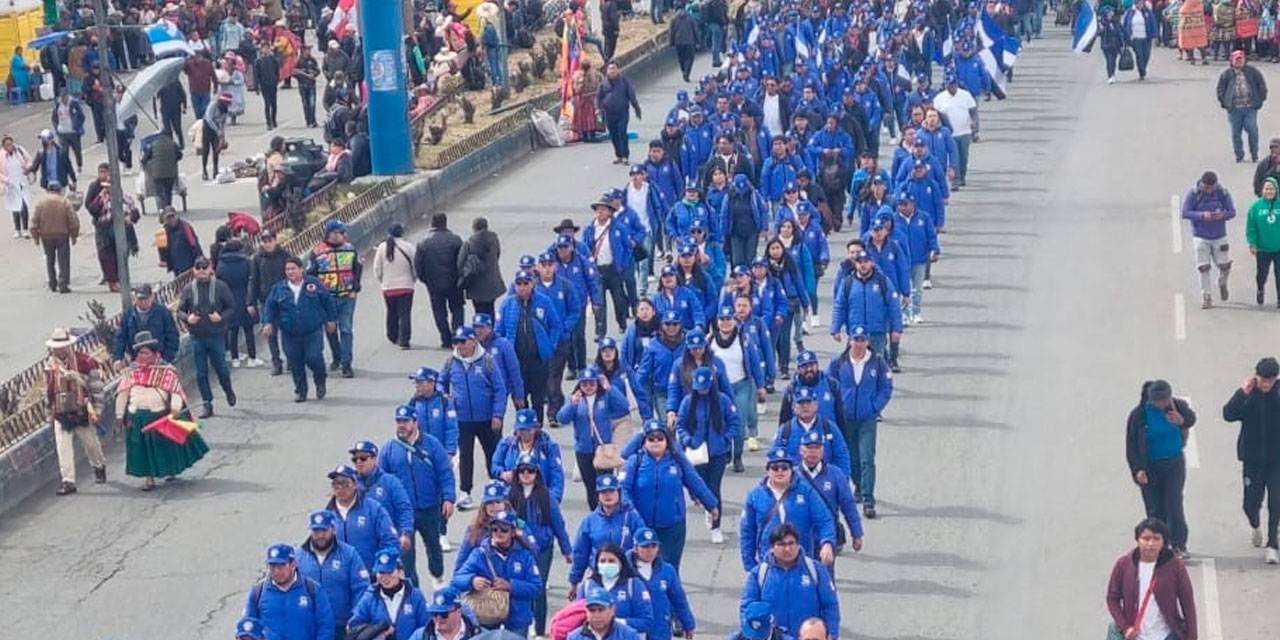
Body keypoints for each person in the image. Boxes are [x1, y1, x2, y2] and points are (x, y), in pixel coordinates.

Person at [116, 331, 209, 491]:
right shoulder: (131, 372)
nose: (142, 356)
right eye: (140, 353)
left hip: (158, 415)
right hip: (137, 416)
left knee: (163, 446)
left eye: (146, 353)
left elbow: (175, 392)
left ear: (154, 353)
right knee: (142, 449)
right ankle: (149, 479)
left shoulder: (166, 371)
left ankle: (169, 470)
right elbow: (123, 394)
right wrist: (119, 416)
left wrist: (175, 409)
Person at [379, 404, 457, 590]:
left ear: (415, 422)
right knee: (405, 553)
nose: (402, 425)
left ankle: (437, 577)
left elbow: (445, 473)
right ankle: (413, 591)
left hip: (430, 507)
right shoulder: (389, 449)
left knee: (434, 546)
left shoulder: (432, 445)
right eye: (399, 421)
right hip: (402, 512)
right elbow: (381, 480)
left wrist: (448, 498)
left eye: (405, 421)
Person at [624, 419, 720, 566]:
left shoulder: (677, 459)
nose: (656, 442)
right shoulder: (636, 461)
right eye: (651, 438)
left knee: (669, 567)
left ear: (667, 440)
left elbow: (694, 480)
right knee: (641, 568)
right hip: (642, 524)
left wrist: (711, 504)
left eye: (660, 438)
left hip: (672, 524)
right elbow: (624, 489)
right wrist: (632, 514)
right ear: (644, 441)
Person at [1125, 380, 1197, 558]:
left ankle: (1179, 544)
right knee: (1155, 510)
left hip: (1174, 463)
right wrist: (1138, 469)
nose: (1161, 405)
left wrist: (1182, 420)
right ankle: (1160, 545)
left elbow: (1191, 418)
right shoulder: (1139, 415)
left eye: (1164, 400)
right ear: (1150, 399)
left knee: (1174, 504)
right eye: (1157, 402)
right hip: (1151, 467)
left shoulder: (1176, 406)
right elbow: (1132, 446)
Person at [440, 326, 508, 510]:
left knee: (492, 453)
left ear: (473, 341)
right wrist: (446, 400)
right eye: (456, 342)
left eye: (463, 341)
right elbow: (441, 382)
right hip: (463, 419)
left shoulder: (486, 361)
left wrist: (497, 414)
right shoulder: (451, 362)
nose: (459, 345)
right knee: (465, 455)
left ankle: (497, 486)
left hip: (486, 418)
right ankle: (465, 492)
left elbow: (499, 389)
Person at [739, 447, 837, 571]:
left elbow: (824, 520)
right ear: (768, 471)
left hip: (802, 563)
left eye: (784, 467)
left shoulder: (806, 492)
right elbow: (747, 532)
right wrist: (750, 565)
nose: (780, 471)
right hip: (769, 565)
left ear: (791, 470)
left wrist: (827, 543)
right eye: (775, 468)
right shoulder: (755, 496)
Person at [1221, 357, 1280, 563]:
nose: (1266, 384)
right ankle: (1255, 526)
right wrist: (1241, 393)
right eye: (1263, 379)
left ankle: (1273, 544)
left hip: (1276, 461)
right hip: (1253, 461)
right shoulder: (1248, 396)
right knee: (1250, 503)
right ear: (1256, 376)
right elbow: (1227, 414)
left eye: (1270, 380)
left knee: (1276, 503)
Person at [508, 453, 573, 637]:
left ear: (537, 473)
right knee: (522, 586)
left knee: (539, 586)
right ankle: (524, 622)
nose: (526, 474)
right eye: (522, 470)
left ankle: (539, 628)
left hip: (543, 548)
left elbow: (558, 524)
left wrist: (567, 550)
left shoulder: (546, 496)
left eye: (531, 470)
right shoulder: (510, 495)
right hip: (519, 549)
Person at [739, 523, 840, 639]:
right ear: (772, 547)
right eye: (781, 544)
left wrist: (832, 634)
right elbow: (747, 609)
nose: (787, 549)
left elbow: (830, 605)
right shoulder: (759, 574)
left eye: (791, 543)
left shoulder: (815, 570)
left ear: (798, 544)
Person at [1104, 518, 1198, 640]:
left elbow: (1188, 603)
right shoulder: (1124, 564)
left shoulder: (1175, 566)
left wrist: (1192, 637)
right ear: (1137, 540)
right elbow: (1112, 598)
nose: (1151, 544)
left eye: (1156, 538)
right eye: (1146, 538)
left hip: (1166, 636)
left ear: (1164, 541)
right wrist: (1125, 627)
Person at [452, 510, 543, 635]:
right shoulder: (480, 554)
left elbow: (536, 586)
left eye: (504, 529)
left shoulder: (525, 556)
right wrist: (472, 580)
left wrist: (511, 586)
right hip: (486, 617)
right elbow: (457, 579)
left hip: (517, 619)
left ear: (512, 532)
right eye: (494, 529)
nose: (498, 532)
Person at [262, 257, 338, 402]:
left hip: (312, 331)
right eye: (287, 269)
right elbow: (269, 307)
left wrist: (331, 319)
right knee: (295, 363)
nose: (290, 272)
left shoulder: (313, 284)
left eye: (293, 268)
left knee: (314, 357)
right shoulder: (278, 289)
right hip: (290, 334)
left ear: (301, 269)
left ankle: (320, 381)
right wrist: (268, 323)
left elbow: (327, 301)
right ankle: (300, 391)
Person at [558, 368, 633, 510]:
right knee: (590, 486)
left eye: (591, 384)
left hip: (604, 449)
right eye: (584, 384)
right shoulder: (576, 399)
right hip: (584, 450)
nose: (588, 387)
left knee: (605, 484)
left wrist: (610, 389)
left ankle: (609, 510)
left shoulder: (605, 397)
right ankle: (595, 513)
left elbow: (623, 406)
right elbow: (562, 418)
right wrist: (571, 405)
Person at [45, 327, 106, 496]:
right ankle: (68, 481)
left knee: (91, 444)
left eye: (62, 346)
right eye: (56, 348)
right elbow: (48, 392)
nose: (58, 350)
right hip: (60, 412)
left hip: (81, 410)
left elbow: (96, 387)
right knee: (62, 448)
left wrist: (98, 409)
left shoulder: (84, 361)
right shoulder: (50, 366)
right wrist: (49, 415)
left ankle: (99, 465)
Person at [497, 270, 563, 423]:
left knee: (538, 398)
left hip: (538, 359)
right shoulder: (508, 304)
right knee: (519, 397)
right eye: (519, 284)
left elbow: (555, 325)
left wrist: (550, 345)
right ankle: (523, 427)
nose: (522, 287)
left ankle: (537, 427)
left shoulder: (544, 302)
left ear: (532, 284)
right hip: (516, 361)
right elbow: (499, 330)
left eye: (525, 283)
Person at [178, 256, 237, 418]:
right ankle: (207, 403)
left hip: (216, 335)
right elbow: (180, 310)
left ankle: (228, 390)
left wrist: (221, 317)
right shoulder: (189, 289)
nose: (202, 271)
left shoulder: (220, 287)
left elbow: (231, 307)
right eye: (198, 267)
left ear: (210, 268)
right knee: (201, 373)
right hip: (197, 336)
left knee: (221, 369)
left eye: (204, 267)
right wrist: (187, 318)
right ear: (193, 270)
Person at [568, 473, 647, 593]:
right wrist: (574, 581)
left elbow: (643, 545)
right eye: (603, 492)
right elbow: (580, 553)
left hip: (626, 575)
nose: (608, 495)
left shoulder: (632, 517)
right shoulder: (590, 521)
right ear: (598, 495)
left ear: (619, 493)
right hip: (598, 575)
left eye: (611, 491)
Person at [296, 510, 370, 634]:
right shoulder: (297, 556)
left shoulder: (349, 555)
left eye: (324, 531)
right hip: (307, 627)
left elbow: (362, 589)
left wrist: (356, 617)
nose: (320, 536)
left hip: (340, 627)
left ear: (333, 529)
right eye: (316, 531)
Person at [795, 429, 864, 558]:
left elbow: (848, 505)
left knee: (825, 576)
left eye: (817, 448)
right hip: (798, 539)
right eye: (809, 448)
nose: (813, 452)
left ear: (823, 451)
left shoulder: (835, 474)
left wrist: (856, 533)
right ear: (801, 450)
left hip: (826, 536)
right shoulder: (792, 476)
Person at [244, 544, 334, 640]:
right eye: (272, 566)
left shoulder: (312, 589)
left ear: (293, 564)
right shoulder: (258, 592)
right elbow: (249, 628)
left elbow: (325, 626)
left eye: (281, 566)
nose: (276, 571)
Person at [306, 220, 361, 377]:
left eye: (343, 233)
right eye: (339, 233)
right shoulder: (317, 252)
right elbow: (311, 274)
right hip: (326, 298)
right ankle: (337, 356)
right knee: (330, 329)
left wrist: (355, 288)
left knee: (346, 329)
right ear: (330, 234)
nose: (343, 236)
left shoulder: (350, 249)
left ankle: (346, 364)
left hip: (347, 296)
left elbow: (357, 269)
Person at [324, 464, 400, 571]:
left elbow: (390, 541)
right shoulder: (327, 515)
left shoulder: (373, 509)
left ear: (355, 484)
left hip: (370, 577)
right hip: (339, 577)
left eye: (344, 483)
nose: (340, 488)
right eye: (335, 484)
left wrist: (382, 567)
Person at [349, 548, 433, 639]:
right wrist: (376, 630)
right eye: (381, 572)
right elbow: (354, 626)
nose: (385, 577)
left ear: (400, 572)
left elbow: (427, 628)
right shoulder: (369, 598)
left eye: (389, 572)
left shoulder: (415, 596)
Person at [627, 528, 696, 640]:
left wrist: (688, 624)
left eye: (653, 546)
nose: (650, 551)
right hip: (634, 630)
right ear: (635, 548)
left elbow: (679, 600)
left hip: (660, 629)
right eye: (645, 547)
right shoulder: (625, 570)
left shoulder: (666, 570)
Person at [1181, 171, 1236, 309]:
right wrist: (1201, 215)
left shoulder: (1223, 192)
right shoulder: (1194, 193)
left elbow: (1232, 211)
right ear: (1202, 184)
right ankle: (1206, 296)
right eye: (1206, 187)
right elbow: (1185, 212)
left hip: (1219, 235)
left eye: (1211, 188)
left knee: (1224, 265)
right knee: (1203, 267)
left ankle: (1222, 282)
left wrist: (1222, 215)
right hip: (1200, 236)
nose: (1209, 190)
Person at [416, 213, 467, 349]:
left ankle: (446, 339)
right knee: (457, 309)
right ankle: (457, 337)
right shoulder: (456, 240)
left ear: (432, 224)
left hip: (434, 284)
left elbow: (418, 267)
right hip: (454, 282)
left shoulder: (423, 243)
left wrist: (426, 280)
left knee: (439, 312)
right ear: (445, 223)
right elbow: (463, 262)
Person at [248, 229, 293, 375]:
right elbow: (254, 280)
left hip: (285, 300)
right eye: (264, 241)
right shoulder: (257, 259)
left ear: (275, 240)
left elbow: (293, 276)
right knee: (270, 333)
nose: (267, 244)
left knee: (288, 332)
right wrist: (251, 301)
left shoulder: (285, 256)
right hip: (266, 301)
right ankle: (276, 362)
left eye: (270, 241)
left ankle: (292, 360)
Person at [1216, 49, 1268, 163]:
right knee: (1236, 134)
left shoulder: (1253, 72)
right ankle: (1239, 155)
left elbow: (1262, 86)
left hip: (1250, 108)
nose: (1239, 62)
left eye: (1241, 59)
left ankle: (1254, 153)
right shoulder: (1227, 74)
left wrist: (1260, 100)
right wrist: (1224, 102)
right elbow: (1220, 89)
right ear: (1232, 61)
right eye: (1237, 60)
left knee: (1252, 130)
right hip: (1234, 109)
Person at [113, 284, 181, 368]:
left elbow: (173, 336)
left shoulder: (162, 312)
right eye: (140, 299)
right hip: (137, 362)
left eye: (146, 298)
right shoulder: (128, 315)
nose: (143, 302)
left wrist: (166, 358)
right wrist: (117, 358)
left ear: (152, 297)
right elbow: (120, 337)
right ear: (135, 298)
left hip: (160, 362)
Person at [374, 223, 417, 349]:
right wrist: (413, 279)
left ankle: (393, 335)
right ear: (401, 233)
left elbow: (377, 268)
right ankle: (404, 340)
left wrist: (382, 280)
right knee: (405, 313)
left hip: (388, 287)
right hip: (406, 286)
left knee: (391, 312)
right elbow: (416, 266)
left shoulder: (382, 247)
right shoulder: (409, 247)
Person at [931, 75, 978, 188]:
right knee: (953, 156)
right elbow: (935, 114)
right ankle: (955, 180)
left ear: (956, 85)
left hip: (964, 131)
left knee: (964, 156)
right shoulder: (939, 98)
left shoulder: (965, 95)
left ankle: (962, 176)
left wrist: (975, 124)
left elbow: (973, 111)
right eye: (948, 85)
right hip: (949, 133)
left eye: (952, 85)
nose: (950, 87)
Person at [30, 188, 79, 293]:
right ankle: (63, 284)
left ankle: (52, 283)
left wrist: (36, 237)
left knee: (49, 259)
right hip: (62, 235)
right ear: (59, 190)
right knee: (63, 259)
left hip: (46, 235)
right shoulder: (64, 202)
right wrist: (74, 235)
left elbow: (34, 221)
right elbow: (73, 219)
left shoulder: (41, 203)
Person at [458, 216, 506, 316]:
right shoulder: (494, 240)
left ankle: (481, 329)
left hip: (476, 285)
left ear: (474, 228)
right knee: (490, 309)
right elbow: (497, 255)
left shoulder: (469, 243)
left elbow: (460, 264)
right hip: (492, 283)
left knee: (479, 311)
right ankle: (491, 329)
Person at [599, 61, 642, 165]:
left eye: (614, 68)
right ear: (607, 71)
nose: (612, 71)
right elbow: (598, 97)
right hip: (609, 113)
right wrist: (597, 108)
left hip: (622, 112)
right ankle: (618, 155)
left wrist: (637, 109)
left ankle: (625, 156)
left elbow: (632, 96)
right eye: (610, 69)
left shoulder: (624, 82)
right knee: (613, 134)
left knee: (622, 132)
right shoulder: (603, 84)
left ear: (618, 70)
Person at [1245, 177, 1280, 306]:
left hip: (1278, 248)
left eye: (1271, 188)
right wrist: (1252, 243)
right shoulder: (1256, 207)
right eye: (1266, 189)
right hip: (1263, 248)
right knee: (1261, 274)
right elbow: (1251, 226)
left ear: (1276, 190)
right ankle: (1260, 289)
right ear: (1262, 190)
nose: (1269, 191)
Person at [567, 585, 643, 640]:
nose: (596, 615)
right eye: (592, 610)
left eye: (601, 610)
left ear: (612, 610)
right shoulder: (574, 637)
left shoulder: (629, 636)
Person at [409, 587, 485, 640]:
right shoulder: (420, 636)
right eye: (434, 614)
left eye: (444, 614)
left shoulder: (480, 635)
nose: (438, 618)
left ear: (458, 612)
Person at [0, 135, 33, 239]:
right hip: (10, 184)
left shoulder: (20, 151)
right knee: (15, 207)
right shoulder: (1, 156)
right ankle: (17, 230)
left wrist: (27, 168)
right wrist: (6, 180)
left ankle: (25, 229)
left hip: (22, 181)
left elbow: (30, 161)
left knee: (24, 205)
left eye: (11, 144)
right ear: (4, 147)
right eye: (7, 145)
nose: (10, 146)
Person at [141, 130, 182, 210]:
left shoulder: (154, 144)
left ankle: (160, 210)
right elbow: (180, 155)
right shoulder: (173, 144)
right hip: (171, 174)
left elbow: (145, 159)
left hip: (157, 174)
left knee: (158, 193)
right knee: (168, 192)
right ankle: (168, 209)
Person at [49, 93, 85, 173]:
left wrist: (77, 126)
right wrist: (57, 128)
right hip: (62, 132)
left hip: (73, 132)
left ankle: (79, 165)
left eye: (65, 98)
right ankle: (67, 168)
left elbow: (82, 116)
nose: (63, 100)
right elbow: (54, 117)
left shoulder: (74, 103)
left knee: (77, 151)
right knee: (63, 152)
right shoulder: (58, 104)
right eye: (62, 98)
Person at [1123, 0, 1159, 80]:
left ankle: (1143, 68)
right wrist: (1128, 36)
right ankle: (1142, 73)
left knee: (1146, 55)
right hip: (1135, 38)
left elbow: (1153, 23)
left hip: (1146, 37)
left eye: (1141, 3)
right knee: (1139, 56)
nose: (1140, 5)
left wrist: (1156, 36)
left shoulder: (1147, 12)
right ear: (1135, 4)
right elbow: (1125, 25)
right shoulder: (1130, 12)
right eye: (1138, 3)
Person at [163, 208, 205, 275]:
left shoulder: (185, 226)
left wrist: (199, 259)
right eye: (168, 218)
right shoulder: (167, 229)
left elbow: (194, 244)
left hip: (188, 264)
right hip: (176, 265)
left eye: (173, 216)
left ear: (177, 216)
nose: (171, 220)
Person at [200, 94, 232, 181]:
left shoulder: (225, 109)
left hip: (217, 128)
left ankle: (215, 169)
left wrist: (222, 136)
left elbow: (223, 122)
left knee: (216, 149)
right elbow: (209, 119)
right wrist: (217, 130)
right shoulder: (212, 106)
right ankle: (204, 170)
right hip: (207, 127)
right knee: (205, 150)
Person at [254, 40, 282, 129]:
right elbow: (256, 75)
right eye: (264, 48)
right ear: (261, 50)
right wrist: (256, 87)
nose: (266, 50)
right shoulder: (258, 61)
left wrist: (277, 80)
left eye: (267, 48)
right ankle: (268, 122)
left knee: (274, 104)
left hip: (272, 84)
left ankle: (274, 119)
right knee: (267, 103)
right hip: (264, 85)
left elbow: (277, 70)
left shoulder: (273, 59)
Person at [669, 6, 696, 82]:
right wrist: (698, 40)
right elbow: (695, 29)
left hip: (678, 42)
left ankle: (683, 70)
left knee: (681, 58)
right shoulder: (690, 18)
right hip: (689, 41)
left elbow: (672, 32)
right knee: (689, 58)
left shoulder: (674, 19)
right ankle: (686, 72)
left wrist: (671, 42)